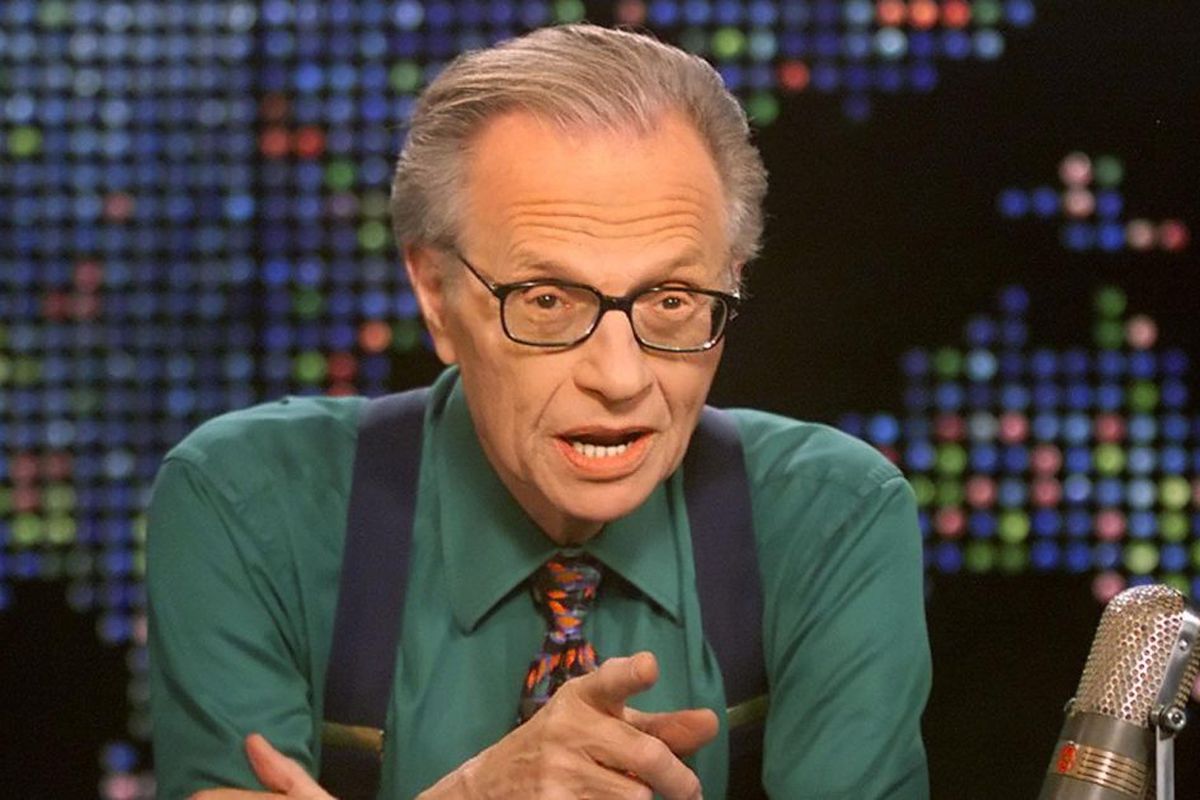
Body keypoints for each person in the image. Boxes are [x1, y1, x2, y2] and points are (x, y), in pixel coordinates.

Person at [147, 24, 930, 799]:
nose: (620, 378)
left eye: (671, 300)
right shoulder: (249, 504)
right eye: (548, 300)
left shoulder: (835, 517)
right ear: (435, 294)